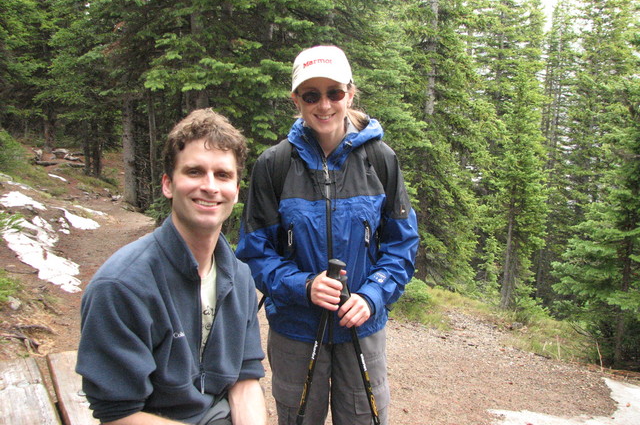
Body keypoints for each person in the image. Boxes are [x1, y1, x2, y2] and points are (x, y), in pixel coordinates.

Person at [236, 45, 419, 424]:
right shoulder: (274, 165)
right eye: (311, 95)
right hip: (295, 328)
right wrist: (304, 286)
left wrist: (372, 295)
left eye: (334, 92)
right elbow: (255, 252)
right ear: (296, 100)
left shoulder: (381, 160)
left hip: (362, 325)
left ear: (350, 93)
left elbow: (401, 245)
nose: (324, 105)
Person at [77, 109, 267, 425]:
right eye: (194, 172)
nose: (210, 186)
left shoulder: (240, 277)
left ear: (235, 189)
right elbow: (117, 413)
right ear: (168, 184)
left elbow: (245, 377)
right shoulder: (121, 287)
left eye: (223, 175)